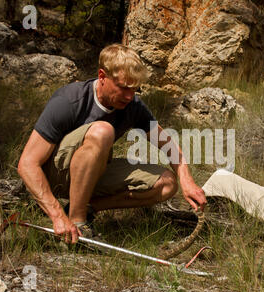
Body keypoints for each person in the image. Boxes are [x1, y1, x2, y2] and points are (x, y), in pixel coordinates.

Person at [17, 44, 206, 244]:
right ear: (102, 76)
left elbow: (167, 144)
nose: (129, 96)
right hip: (56, 176)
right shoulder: (69, 100)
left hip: (92, 173)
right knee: (103, 131)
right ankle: (77, 222)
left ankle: (86, 209)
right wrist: (57, 216)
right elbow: (27, 164)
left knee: (167, 184)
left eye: (134, 89)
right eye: (123, 87)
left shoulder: (133, 106)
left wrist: (186, 179)